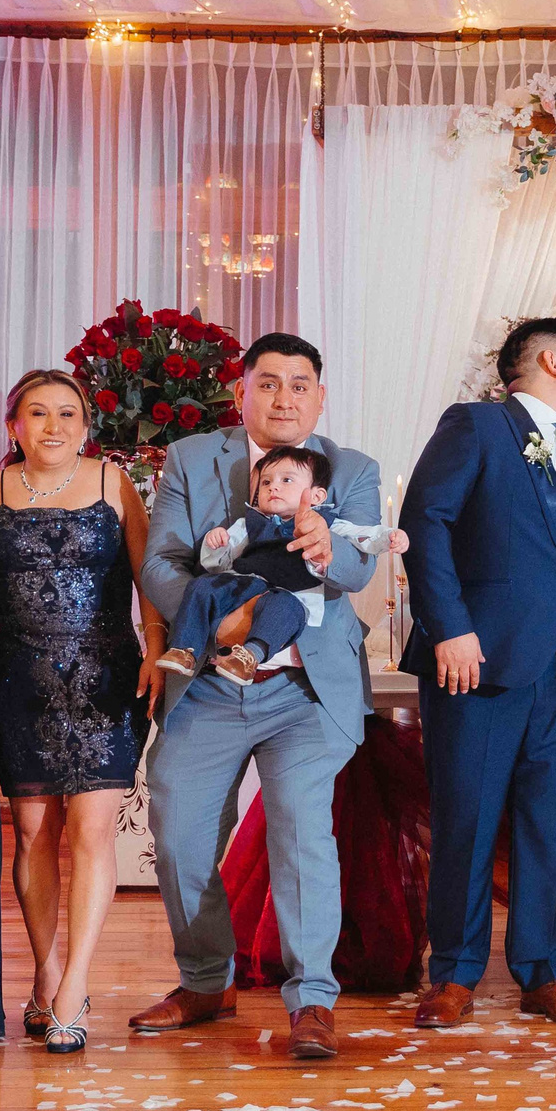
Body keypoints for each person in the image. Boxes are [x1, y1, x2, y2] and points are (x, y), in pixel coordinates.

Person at [134, 331, 383, 1063]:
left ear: (320, 396)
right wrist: (227, 618)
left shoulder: (354, 468)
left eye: (300, 384)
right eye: (268, 382)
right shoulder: (191, 459)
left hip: (306, 687)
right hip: (211, 677)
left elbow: (360, 573)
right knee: (179, 833)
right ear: (242, 390)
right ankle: (207, 979)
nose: (284, 397)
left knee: (302, 829)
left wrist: (330, 549)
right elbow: (160, 561)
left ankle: (312, 999)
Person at [399, 317, 556, 1029]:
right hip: (476, 665)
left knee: (547, 824)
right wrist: (450, 628)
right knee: (467, 815)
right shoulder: (479, 425)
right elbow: (425, 520)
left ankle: (544, 971)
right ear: (552, 361)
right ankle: (454, 973)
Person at [0, 369, 157, 1055]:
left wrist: (157, 653)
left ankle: (75, 986)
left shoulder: (116, 483)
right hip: (21, 678)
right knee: (32, 835)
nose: (53, 426)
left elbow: (149, 577)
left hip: (106, 677)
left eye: (67, 413)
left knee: (91, 832)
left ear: (86, 426)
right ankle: (46, 971)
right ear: (14, 424)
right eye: (37, 412)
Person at [156, 445, 403, 683]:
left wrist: (388, 537)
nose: (273, 487)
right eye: (266, 482)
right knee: (202, 586)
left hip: (289, 593)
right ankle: (184, 648)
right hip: (244, 584)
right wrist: (215, 544)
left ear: (317, 495)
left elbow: (360, 535)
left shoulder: (325, 523)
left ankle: (249, 656)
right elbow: (219, 563)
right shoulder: (249, 523)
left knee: (283, 610)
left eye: (287, 480)